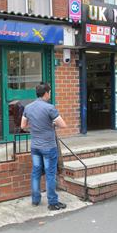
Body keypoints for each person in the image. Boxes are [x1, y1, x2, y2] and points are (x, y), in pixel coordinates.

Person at [21, 83, 67, 211]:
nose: (50, 94)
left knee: (35, 172)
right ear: (46, 93)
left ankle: (35, 200)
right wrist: (51, 123)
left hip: (35, 147)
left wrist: (35, 126)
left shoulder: (28, 107)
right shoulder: (50, 108)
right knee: (50, 174)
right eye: (50, 92)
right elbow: (63, 125)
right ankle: (52, 202)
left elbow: (23, 126)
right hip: (48, 147)